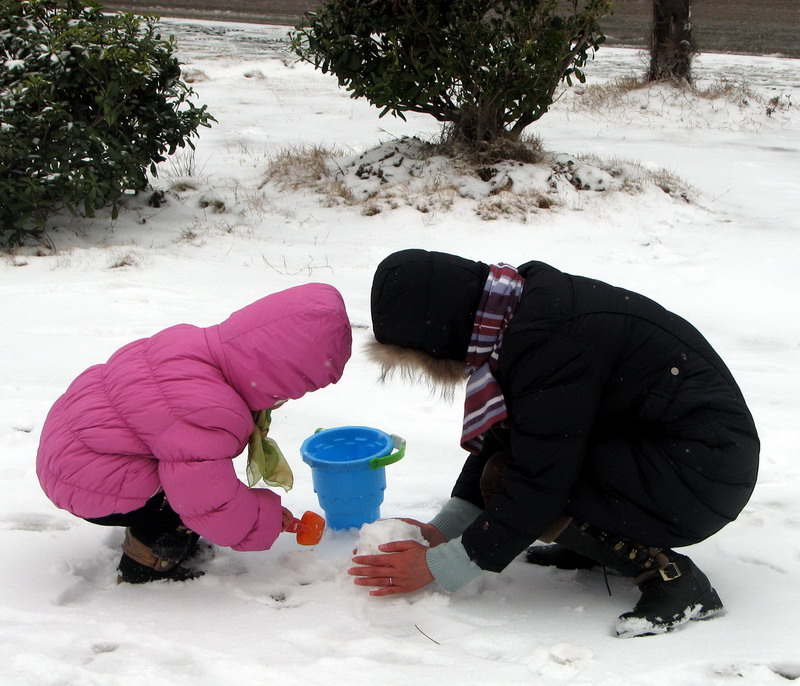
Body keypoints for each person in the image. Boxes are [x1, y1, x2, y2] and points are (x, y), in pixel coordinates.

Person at [349, 249, 759, 638]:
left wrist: (440, 566)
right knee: (524, 474)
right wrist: (446, 529)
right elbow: (516, 433)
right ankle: (599, 544)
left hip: (703, 474)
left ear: (438, 335)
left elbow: (538, 476)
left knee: (521, 483)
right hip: (672, 451)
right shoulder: (516, 312)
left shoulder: (548, 343)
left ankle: (673, 578)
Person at [37, 283, 352, 583]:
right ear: (280, 373)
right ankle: (148, 565)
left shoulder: (188, 346)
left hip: (69, 450)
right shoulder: (209, 408)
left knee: (187, 472)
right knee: (185, 498)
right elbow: (205, 501)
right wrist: (262, 516)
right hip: (85, 480)